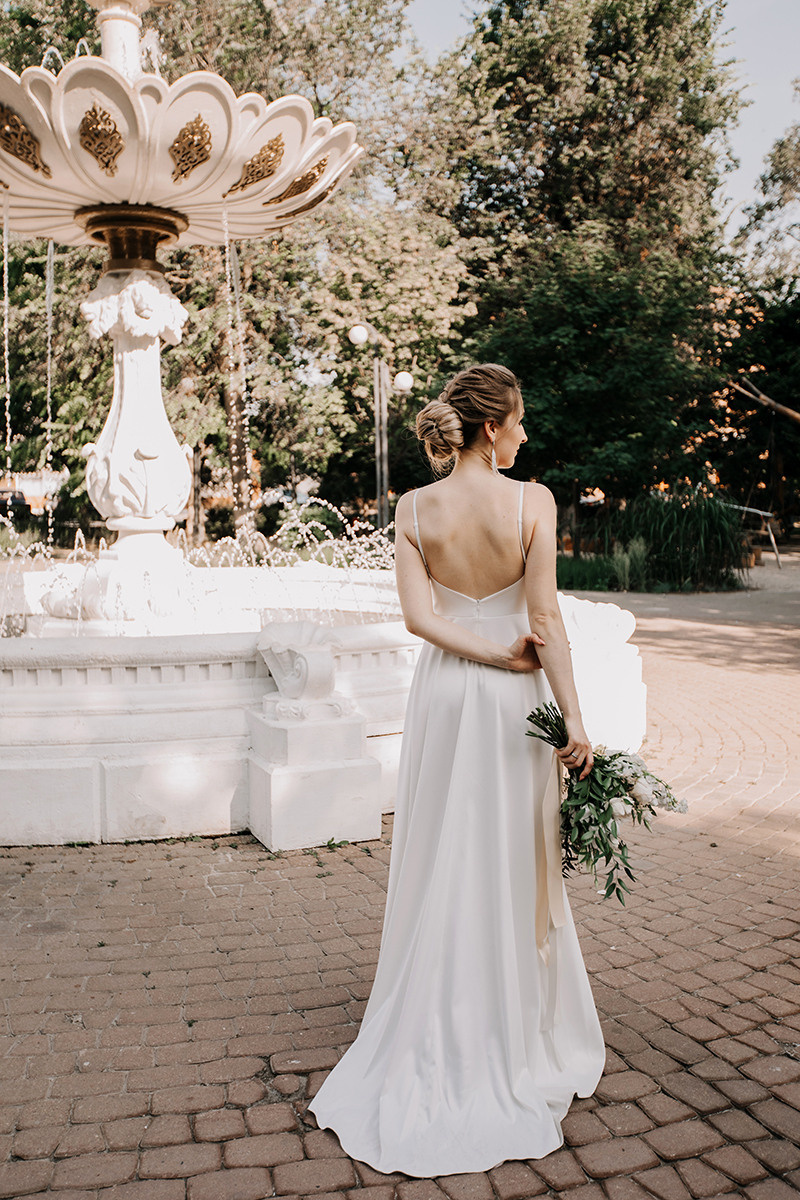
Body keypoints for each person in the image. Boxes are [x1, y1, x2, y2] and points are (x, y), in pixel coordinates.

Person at [309, 364, 606, 1177]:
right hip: (514, 705)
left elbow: (419, 618)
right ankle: (505, 1023)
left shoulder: (413, 508)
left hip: (444, 698)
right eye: (518, 420)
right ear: (489, 428)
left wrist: (485, 653)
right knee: (510, 853)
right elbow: (543, 620)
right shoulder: (531, 503)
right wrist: (572, 717)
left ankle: (432, 1004)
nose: (525, 433)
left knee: (443, 846)